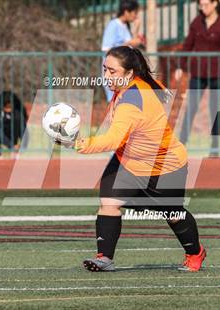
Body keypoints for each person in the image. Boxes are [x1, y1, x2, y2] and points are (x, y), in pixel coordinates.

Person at [63, 46, 206, 272]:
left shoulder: (133, 98)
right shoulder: (129, 87)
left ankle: (195, 252)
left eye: (113, 71)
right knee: (109, 202)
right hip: (129, 159)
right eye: (105, 70)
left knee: (173, 214)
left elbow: (112, 139)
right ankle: (104, 258)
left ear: (129, 74)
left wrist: (77, 143)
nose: (107, 76)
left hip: (163, 165)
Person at [175, 0, 220, 156]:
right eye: (201, 5)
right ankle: (181, 143)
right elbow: (188, 45)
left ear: (215, 4)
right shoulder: (197, 22)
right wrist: (181, 65)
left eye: (206, 4)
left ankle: (215, 146)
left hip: (217, 74)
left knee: (214, 109)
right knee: (191, 107)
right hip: (198, 72)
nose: (203, 8)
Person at [101, 0, 144, 102]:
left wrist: (136, 29)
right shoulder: (113, 25)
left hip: (124, 71)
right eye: (134, 12)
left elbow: (130, 46)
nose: (136, 16)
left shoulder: (125, 26)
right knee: (114, 102)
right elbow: (106, 49)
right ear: (126, 12)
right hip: (114, 72)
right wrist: (129, 43)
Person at [0, 91, 28, 159]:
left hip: (12, 130)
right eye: (6, 107)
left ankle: (15, 152)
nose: (8, 109)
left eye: (10, 107)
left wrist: (22, 147)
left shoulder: (18, 111)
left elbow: (24, 130)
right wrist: (11, 145)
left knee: (18, 124)